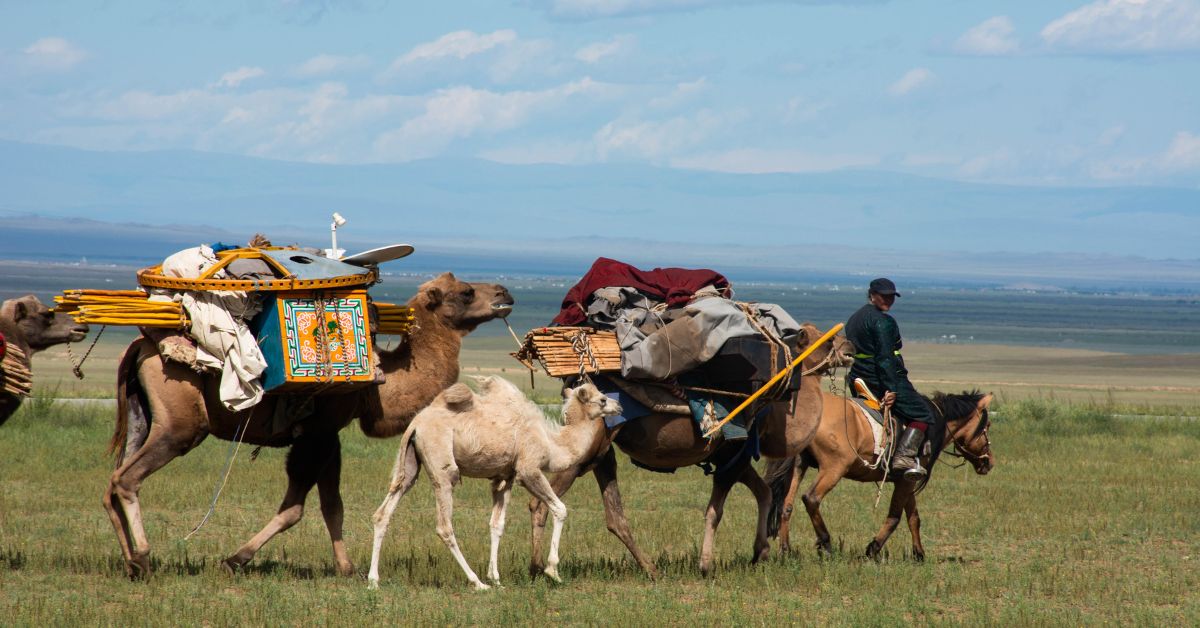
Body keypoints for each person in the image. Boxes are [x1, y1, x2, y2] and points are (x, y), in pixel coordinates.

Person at [844, 278, 933, 480]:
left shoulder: (854, 318)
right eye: (884, 296)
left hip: (859, 377)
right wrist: (890, 389)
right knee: (923, 413)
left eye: (891, 296)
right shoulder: (883, 321)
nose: (888, 300)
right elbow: (885, 358)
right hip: (880, 378)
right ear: (872, 295)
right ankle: (904, 456)